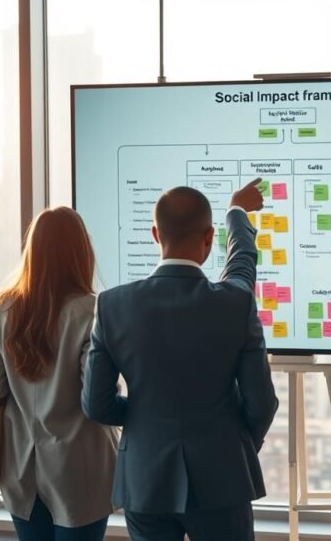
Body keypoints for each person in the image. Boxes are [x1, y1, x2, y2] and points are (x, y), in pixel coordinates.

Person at [82, 179, 279, 541]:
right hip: (224, 477)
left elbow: (96, 404)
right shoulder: (234, 303)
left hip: (145, 479)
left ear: (155, 234)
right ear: (208, 238)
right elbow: (261, 403)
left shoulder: (112, 306)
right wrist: (236, 212)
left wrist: (145, 416)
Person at [0, 207, 118, 541]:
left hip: (20, 465)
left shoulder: (3, 308)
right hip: (79, 465)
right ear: (82, 250)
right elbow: (95, 392)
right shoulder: (93, 309)